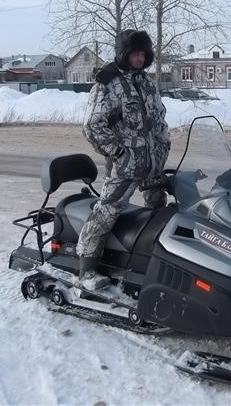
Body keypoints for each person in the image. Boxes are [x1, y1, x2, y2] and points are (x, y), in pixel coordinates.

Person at [78, 29, 170, 291]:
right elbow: (92, 125)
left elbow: (158, 117)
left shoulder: (144, 81)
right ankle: (87, 268)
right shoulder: (107, 83)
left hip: (152, 162)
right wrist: (118, 153)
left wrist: (163, 144)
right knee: (107, 210)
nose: (140, 59)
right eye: (135, 54)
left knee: (158, 209)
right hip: (126, 165)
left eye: (143, 54)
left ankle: (153, 260)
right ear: (124, 54)